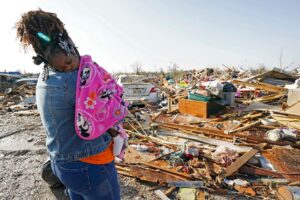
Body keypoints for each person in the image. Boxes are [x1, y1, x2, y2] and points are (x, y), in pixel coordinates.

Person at [16, 9, 123, 200]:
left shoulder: (45, 77)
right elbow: (107, 112)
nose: (69, 64)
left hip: (62, 164)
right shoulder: (76, 80)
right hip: (91, 163)